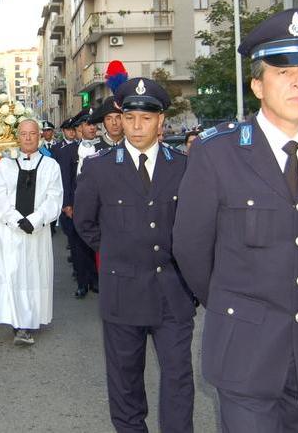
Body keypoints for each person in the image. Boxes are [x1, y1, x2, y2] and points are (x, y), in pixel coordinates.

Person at [173, 8, 298, 432]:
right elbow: (191, 250)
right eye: (283, 71)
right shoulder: (216, 154)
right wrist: (235, 305)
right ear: (257, 84)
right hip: (245, 351)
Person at [74, 78, 196, 432]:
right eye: (130, 118)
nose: (137, 126)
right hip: (122, 292)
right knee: (125, 382)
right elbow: (86, 223)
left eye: (146, 118)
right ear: (120, 120)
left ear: (161, 121)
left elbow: (195, 227)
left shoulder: (183, 166)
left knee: (178, 379)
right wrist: (117, 253)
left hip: (173, 292)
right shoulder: (98, 168)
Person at [0, 119, 63, 345]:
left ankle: (28, 322)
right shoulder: (4, 165)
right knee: (11, 274)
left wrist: (36, 220)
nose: (28, 138)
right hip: (9, 232)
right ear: (17, 137)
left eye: (32, 134)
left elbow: (54, 197)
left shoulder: (51, 166)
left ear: (39, 136)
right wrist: (16, 220)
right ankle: (16, 320)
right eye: (24, 134)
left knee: (33, 276)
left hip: (36, 233)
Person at [57, 110, 99, 298]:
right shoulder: (69, 151)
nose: (92, 128)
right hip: (75, 206)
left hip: (99, 207)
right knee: (78, 246)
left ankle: (96, 280)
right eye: (88, 124)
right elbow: (65, 179)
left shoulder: (102, 148)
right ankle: (82, 282)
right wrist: (67, 204)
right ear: (80, 128)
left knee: (95, 244)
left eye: (94, 124)